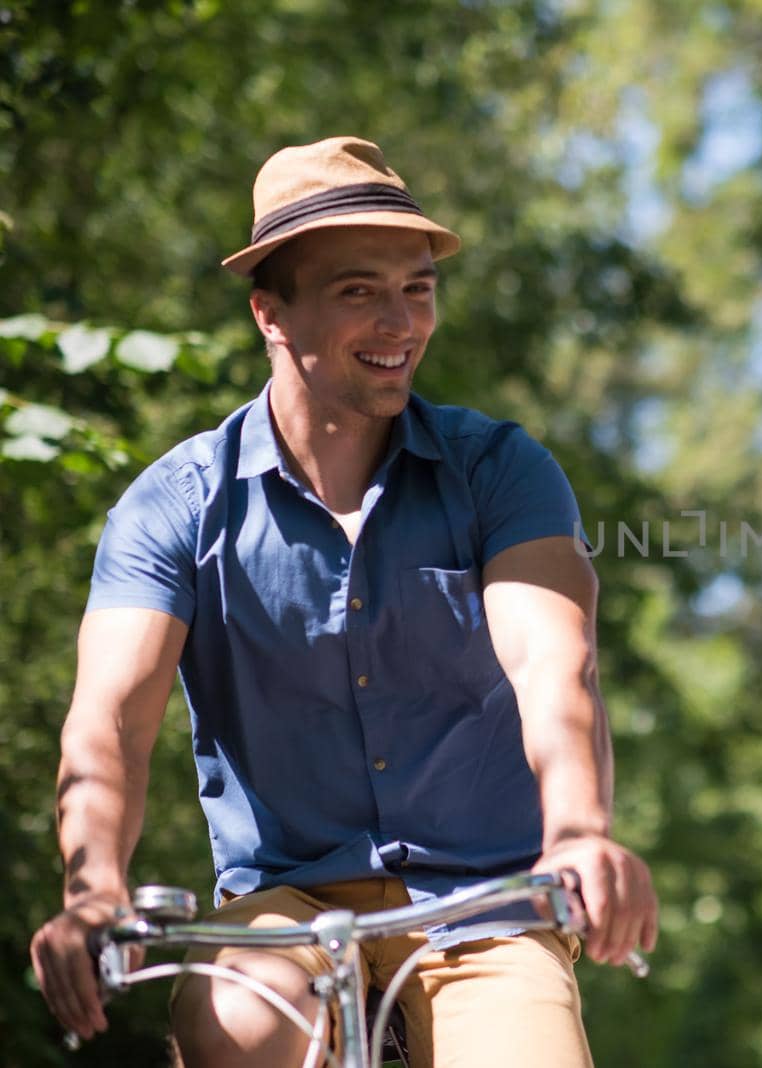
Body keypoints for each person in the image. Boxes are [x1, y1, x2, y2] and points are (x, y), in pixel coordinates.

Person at [28, 136, 657, 1067]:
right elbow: (110, 722)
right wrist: (94, 888)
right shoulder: (178, 505)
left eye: (418, 287)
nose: (401, 319)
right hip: (285, 910)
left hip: (483, 909)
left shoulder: (499, 472)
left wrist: (577, 831)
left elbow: (553, 664)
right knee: (242, 1020)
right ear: (270, 315)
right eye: (360, 291)